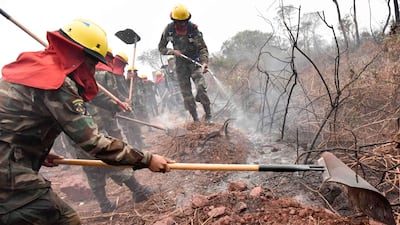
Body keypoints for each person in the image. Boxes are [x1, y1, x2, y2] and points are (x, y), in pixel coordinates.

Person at [0, 18, 173, 225]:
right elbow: (94, 143)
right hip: (7, 171)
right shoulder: (57, 82)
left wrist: (36, 149)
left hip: (10, 158)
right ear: (78, 56)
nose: (92, 70)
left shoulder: (38, 67)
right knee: (64, 219)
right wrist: (147, 159)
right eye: (92, 62)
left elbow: (15, 123)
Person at [158, 3, 213, 124]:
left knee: (201, 88)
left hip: (194, 62)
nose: (182, 24)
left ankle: (208, 116)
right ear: (174, 20)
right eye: (179, 22)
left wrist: (204, 63)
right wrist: (172, 51)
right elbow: (161, 48)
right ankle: (195, 119)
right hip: (180, 65)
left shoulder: (193, 29)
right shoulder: (169, 30)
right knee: (186, 94)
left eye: (184, 22)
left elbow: (202, 48)